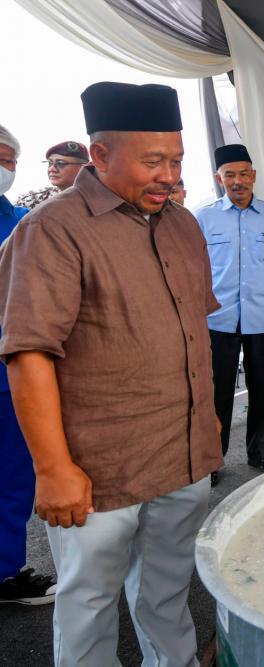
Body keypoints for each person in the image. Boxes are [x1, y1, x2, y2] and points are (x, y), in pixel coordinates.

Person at [0, 81, 221, 665]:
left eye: (176, 160)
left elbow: (190, 335)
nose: (169, 176)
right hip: (97, 472)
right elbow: (28, 354)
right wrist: (53, 469)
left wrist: (208, 436)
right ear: (100, 155)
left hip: (182, 458)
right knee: (89, 606)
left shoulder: (182, 225)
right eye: (153, 161)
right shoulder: (51, 229)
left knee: (168, 595)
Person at [196, 144, 264, 484]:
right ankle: (213, 460)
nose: (237, 181)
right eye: (230, 175)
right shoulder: (204, 217)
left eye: (244, 173)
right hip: (217, 320)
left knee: (263, 388)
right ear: (219, 178)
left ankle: (262, 453)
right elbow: (193, 270)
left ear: (253, 175)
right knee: (217, 394)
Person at [0, 124, 57, 606]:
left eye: (6, 158)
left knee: (14, 478)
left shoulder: (24, 223)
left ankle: (4, 571)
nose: (2, 167)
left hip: (11, 378)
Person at [15, 140, 89, 210]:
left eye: (61, 163)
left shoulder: (96, 200)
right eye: (50, 163)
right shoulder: (32, 200)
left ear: (82, 167)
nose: (52, 169)